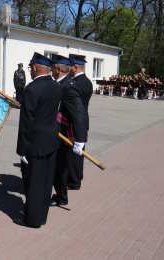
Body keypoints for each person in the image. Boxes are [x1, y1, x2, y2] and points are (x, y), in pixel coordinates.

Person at [16, 52, 62, 228]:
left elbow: (26, 123)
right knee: (46, 181)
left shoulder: (32, 89)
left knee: (34, 182)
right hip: (51, 141)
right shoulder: (56, 86)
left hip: (34, 144)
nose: (30, 71)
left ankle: (32, 220)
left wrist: (22, 150)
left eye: (30, 67)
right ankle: (42, 216)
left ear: (35, 67)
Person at [50, 54, 88, 206]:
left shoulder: (68, 86)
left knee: (60, 167)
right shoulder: (61, 83)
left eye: (52, 67)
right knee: (59, 166)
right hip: (57, 131)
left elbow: (79, 114)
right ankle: (60, 194)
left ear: (57, 68)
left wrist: (80, 139)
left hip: (64, 133)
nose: (51, 70)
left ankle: (61, 196)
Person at [68, 54, 93, 190]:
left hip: (76, 122)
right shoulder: (87, 81)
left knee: (75, 154)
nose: (69, 69)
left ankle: (74, 181)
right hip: (82, 121)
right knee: (78, 153)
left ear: (76, 67)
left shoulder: (77, 83)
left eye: (70, 66)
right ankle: (77, 176)